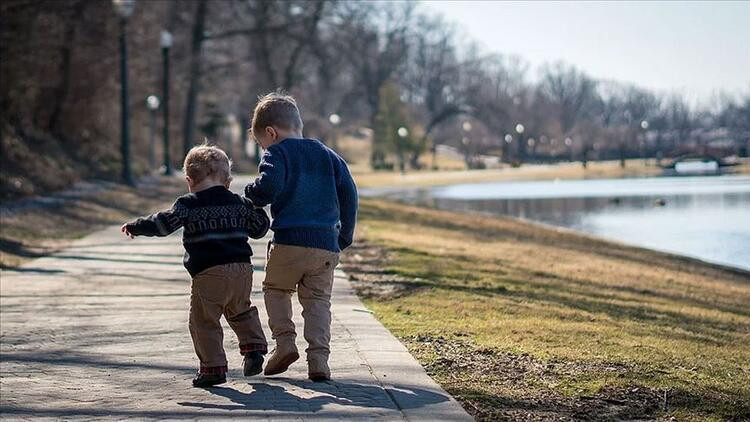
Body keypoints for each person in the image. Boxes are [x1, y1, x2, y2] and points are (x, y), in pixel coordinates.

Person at [121, 144, 270, 388]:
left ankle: (213, 368)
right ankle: (253, 350)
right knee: (241, 310)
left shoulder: (188, 204)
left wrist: (137, 226)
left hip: (209, 272)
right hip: (242, 270)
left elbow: (163, 224)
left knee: (204, 321)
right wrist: (258, 208)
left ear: (189, 180)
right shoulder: (239, 203)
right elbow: (259, 229)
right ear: (228, 181)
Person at [245, 92, 358, 382]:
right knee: (318, 301)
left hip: (289, 241)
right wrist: (344, 235)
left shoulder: (277, 153)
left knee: (276, 290)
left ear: (271, 133)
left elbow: (268, 188)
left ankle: (284, 343)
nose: (263, 149)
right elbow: (350, 194)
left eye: (261, 144)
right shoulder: (329, 155)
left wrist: (251, 194)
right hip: (325, 245)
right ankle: (319, 361)